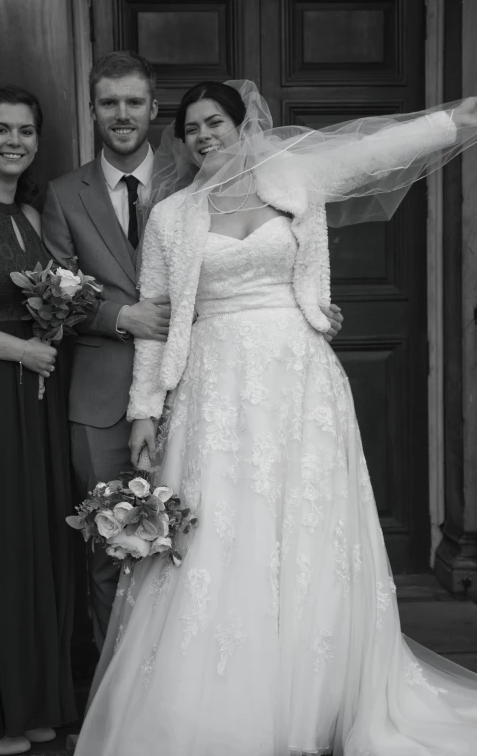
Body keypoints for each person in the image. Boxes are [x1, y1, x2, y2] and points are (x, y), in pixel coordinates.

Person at [74, 81, 477, 756]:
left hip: (300, 379)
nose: (205, 136)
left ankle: (315, 689)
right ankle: (219, 701)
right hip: (214, 385)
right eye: (192, 128)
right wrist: (143, 410)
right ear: (181, 140)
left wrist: (455, 120)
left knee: (308, 526)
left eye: (216, 123)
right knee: (222, 531)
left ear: (243, 126)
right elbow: (155, 317)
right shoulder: (174, 216)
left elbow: (375, 152)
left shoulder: (292, 177)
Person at [41, 50, 347, 652]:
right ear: (94, 111)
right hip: (115, 390)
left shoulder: (238, 188)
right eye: (109, 103)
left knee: (233, 536)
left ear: (154, 112)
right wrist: (120, 319)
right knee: (116, 549)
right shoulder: (67, 194)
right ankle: (125, 691)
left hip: (236, 381)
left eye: (135, 102)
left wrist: (315, 312)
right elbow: (55, 289)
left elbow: (306, 271)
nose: (122, 113)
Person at [0, 87, 76, 755]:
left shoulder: (33, 212)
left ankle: (31, 701)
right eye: (1, 129)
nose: (13, 141)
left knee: (35, 544)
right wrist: (20, 348)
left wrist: (57, 320)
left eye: (25, 131)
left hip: (38, 400)